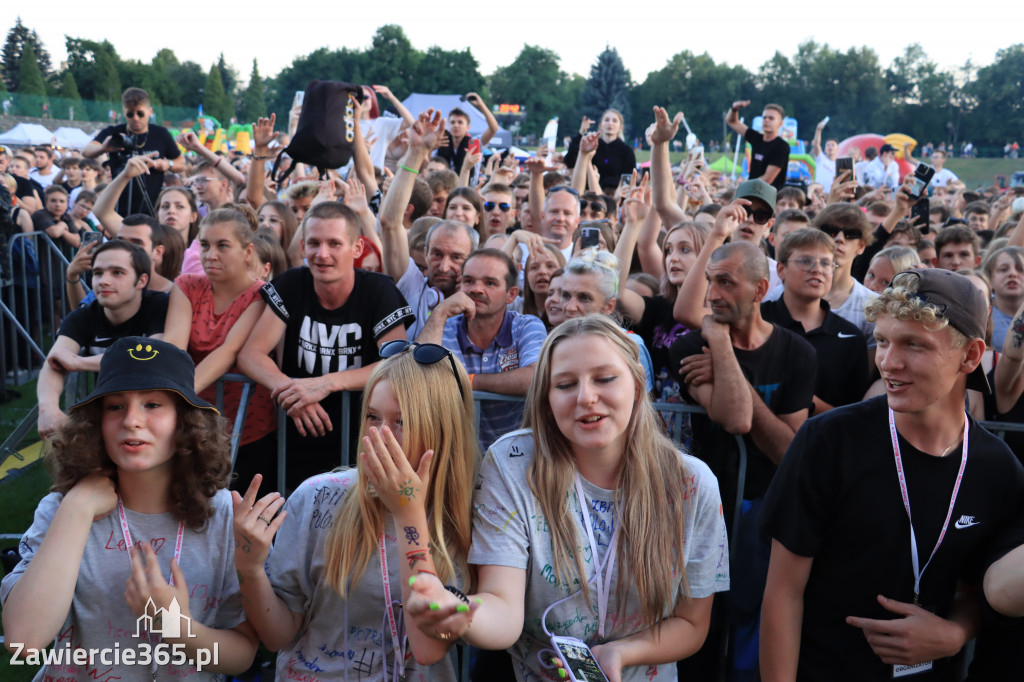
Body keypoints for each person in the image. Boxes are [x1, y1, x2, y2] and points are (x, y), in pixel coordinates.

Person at [408, 315, 729, 681]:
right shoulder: (512, 464)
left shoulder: (691, 483)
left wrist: (619, 653)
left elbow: (691, 623)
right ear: (546, 397)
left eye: (605, 378)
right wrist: (463, 612)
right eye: (565, 384)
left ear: (638, 384)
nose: (586, 397)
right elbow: (502, 608)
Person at [760, 269, 1024, 681]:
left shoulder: (998, 468)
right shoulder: (828, 441)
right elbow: (783, 593)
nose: (888, 361)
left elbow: (980, 591)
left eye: (914, 345)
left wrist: (956, 633)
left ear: (970, 356)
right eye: (882, 340)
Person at [3, 337, 259, 680]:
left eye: (153, 404)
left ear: (186, 422)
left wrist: (178, 629)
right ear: (96, 421)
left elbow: (242, 655)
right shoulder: (61, 509)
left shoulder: (223, 513)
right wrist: (77, 508)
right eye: (115, 406)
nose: (132, 420)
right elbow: (24, 642)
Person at [231, 340, 478, 680]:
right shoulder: (318, 497)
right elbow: (278, 637)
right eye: (373, 417)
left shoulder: (466, 514)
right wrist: (250, 567)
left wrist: (409, 513)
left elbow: (429, 648)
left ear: (442, 429)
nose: (379, 436)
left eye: (402, 421)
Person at [238, 201, 414, 491]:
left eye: (334, 243)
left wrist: (326, 383)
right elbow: (251, 355)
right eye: (314, 243)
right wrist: (293, 392)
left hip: (360, 443)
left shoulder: (379, 290)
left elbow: (395, 363)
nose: (322, 254)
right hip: (294, 440)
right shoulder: (293, 284)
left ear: (357, 249)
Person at [162, 208, 277, 487]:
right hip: (193, 424)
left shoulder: (261, 293)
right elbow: (173, 348)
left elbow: (229, 351)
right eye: (205, 245)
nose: (210, 255)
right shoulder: (187, 285)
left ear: (248, 251)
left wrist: (178, 396)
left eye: (222, 245)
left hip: (249, 428)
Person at [37, 240, 169, 437]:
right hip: (111, 415)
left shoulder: (160, 307)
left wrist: (78, 362)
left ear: (141, 281)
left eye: (117, 272)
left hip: (158, 417)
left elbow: (151, 355)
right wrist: (48, 408)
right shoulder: (84, 316)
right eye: (98, 273)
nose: (103, 281)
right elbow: (54, 362)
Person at [417, 248, 546, 449]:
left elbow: (534, 378)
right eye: (469, 281)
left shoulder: (526, 326)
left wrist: (469, 381)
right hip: (455, 459)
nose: (476, 289)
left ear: (511, 294)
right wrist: (440, 313)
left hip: (515, 461)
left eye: (490, 283)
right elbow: (418, 377)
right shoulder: (445, 327)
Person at [380, 110, 479, 340]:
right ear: (424, 252)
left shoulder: (484, 298)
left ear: (473, 257)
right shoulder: (413, 285)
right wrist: (416, 152)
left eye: (456, 257)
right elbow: (390, 222)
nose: (443, 267)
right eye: (436, 254)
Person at [83, 87, 184, 215]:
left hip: (151, 208)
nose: (135, 118)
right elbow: (86, 151)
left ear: (150, 112)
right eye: (130, 114)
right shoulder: (115, 133)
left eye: (140, 113)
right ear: (124, 112)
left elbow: (181, 163)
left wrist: (167, 164)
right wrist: (103, 148)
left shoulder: (161, 134)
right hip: (119, 207)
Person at [564, 110, 638, 194]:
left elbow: (628, 178)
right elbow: (570, 161)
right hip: (589, 194)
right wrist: (580, 134)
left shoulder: (626, 151)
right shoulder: (591, 146)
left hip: (615, 196)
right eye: (606, 120)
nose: (610, 123)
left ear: (620, 127)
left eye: (614, 121)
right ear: (600, 125)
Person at [727, 101, 790, 190]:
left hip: (769, 196)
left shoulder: (781, 146)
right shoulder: (756, 138)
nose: (766, 120)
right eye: (764, 117)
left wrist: (744, 187)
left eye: (771, 118)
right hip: (752, 191)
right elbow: (732, 122)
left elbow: (767, 179)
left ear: (780, 123)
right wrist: (734, 108)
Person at [433, 93, 500, 175]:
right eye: (452, 122)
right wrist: (430, 149)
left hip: (468, 186)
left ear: (468, 127)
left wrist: (481, 106)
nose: (456, 125)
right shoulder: (441, 142)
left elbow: (493, 129)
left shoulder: (474, 143)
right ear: (449, 125)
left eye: (460, 122)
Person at [810, 118, 838, 191]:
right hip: (819, 193)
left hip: (831, 195)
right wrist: (818, 130)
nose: (830, 147)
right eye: (828, 145)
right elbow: (816, 144)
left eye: (833, 145)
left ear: (837, 149)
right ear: (825, 149)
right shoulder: (821, 158)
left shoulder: (839, 165)